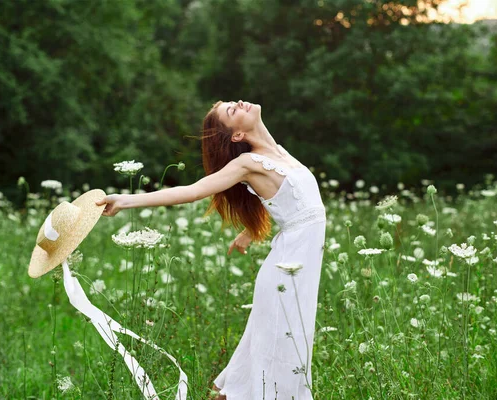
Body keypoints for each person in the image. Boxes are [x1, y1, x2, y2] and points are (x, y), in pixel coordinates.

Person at [96, 100, 327, 400]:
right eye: (232, 111)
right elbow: (192, 191)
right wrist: (125, 201)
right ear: (237, 136)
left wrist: (248, 232)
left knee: (282, 354)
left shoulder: (279, 152)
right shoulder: (247, 164)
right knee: (277, 357)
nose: (239, 103)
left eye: (232, 103)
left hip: (299, 271)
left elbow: (293, 201)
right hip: (286, 274)